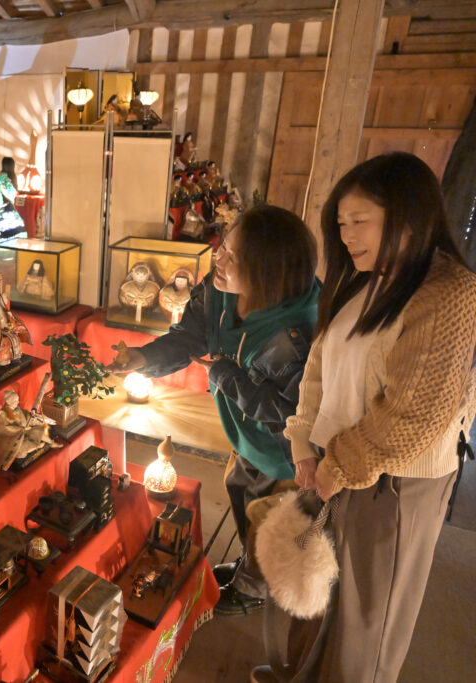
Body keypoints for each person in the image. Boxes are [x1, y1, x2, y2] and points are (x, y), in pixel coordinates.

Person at [252, 152, 476, 683]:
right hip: (337, 469)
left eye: (359, 221)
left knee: (368, 619)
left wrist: (333, 469)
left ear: (409, 214)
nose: (346, 235)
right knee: (319, 594)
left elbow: (412, 415)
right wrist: (303, 444)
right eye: (340, 225)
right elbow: (319, 369)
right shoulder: (363, 281)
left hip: (396, 484)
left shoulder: (450, 294)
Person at [107, 204, 320, 616]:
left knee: (268, 516)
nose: (216, 260)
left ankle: (254, 587)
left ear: (268, 270)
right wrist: (141, 358)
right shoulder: (220, 287)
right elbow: (190, 334)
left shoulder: (293, 337)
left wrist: (225, 374)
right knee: (240, 493)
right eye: (222, 247)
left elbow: (290, 413)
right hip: (244, 431)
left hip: (282, 450)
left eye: (232, 256)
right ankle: (247, 568)